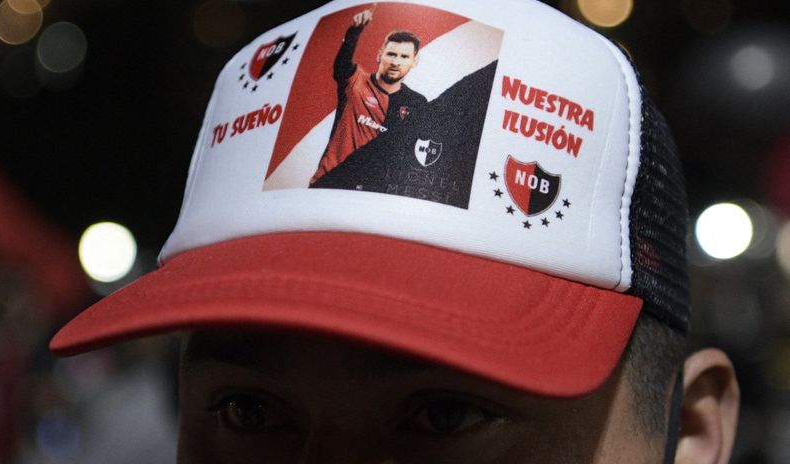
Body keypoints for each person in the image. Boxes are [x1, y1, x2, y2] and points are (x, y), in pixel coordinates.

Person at [50, 0, 740, 463]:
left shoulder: (414, 108)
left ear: (688, 437)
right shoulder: (353, 84)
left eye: (446, 416)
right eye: (247, 412)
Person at [309, 7, 427, 185]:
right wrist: (354, 32)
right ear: (380, 55)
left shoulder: (416, 103)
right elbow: (342, 63)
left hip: (372, 192)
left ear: (414, 61)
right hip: (329, 181)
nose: (395, 62)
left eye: (404, 56)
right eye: (391, 54)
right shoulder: (355, 81)